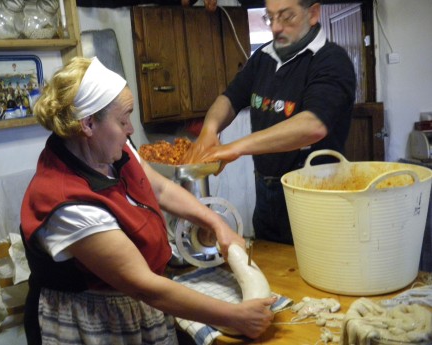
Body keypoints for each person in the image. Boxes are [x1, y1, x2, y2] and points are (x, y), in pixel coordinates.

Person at [20, 56, 275, 345]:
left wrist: (218, 225)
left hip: (138, 302)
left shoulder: (111, 148)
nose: (131, 130)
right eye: (123, 119)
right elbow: (145, 286)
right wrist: (233, 316)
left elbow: (161, 190)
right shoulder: (67, 204)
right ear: (88, 123)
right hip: (91, 321)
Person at [183, 0, 356, 244]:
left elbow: (312, 125)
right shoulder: (263, 57)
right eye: (270, 18)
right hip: (266, 192)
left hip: (315, 193)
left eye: (286, 17)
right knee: (272, 267)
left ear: (313, 13)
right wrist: (209, 130)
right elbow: (230, 99)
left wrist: (235, 147)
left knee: (315, 269)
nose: (275, 27)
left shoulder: (331, 61)